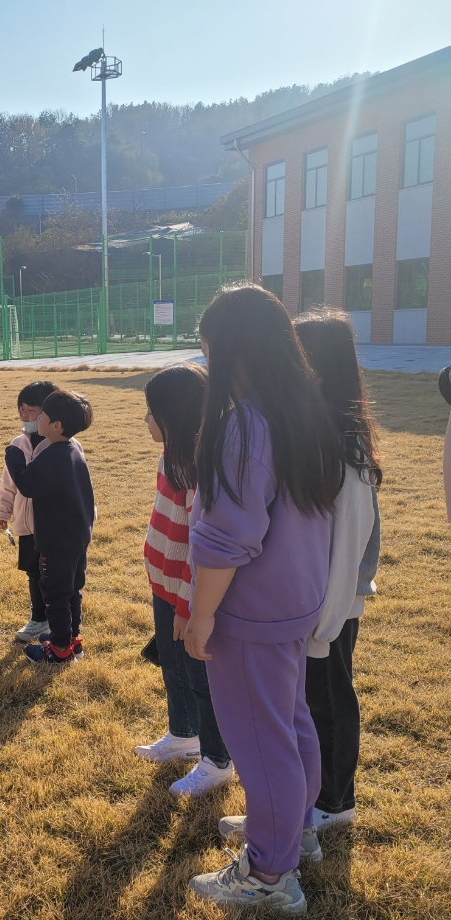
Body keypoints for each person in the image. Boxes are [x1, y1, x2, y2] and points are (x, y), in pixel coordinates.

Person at [184, 285, 344, 914]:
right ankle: (292, 831)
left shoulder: (247, 424)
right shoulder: (304, 408)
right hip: (294, 601)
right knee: (290, 722)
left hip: (250, 613)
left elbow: (228, 537)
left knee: (260, 740)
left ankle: (270, 874)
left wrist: (200, 617)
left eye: (208, 355)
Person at [295, 309, 381, 832]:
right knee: (312, 701)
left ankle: (336, 802)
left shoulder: (344, 443)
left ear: (319, 368)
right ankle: (310, 798)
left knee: (330, 697)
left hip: (333, 603)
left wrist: (325, 624)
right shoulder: (317, 429)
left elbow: (348, 539)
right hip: (314, 601)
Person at [133, 364, 233, 797]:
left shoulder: (198, 467)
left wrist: (187, 606)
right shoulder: (170, 456)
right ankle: (183, 733)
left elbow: (200, 546)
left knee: (199, 676)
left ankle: (216, 759)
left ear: (172, 414)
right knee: (172, 667)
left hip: (185, 594)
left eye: (150, 411)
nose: (146, 419)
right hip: (164, 583)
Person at [5, 389, 95, 664]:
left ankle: (58, 650)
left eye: (42, 415)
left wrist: (14, 457)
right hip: (76, 537)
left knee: (55, 592)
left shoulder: (52, 454)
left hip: (55, 541)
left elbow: (28, 485)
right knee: (71, 589)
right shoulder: (72, 451)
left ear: (56, 425)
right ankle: (70, 639)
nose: (38, 419)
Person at [0, 380, 59, 643]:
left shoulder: (61, 444)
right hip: (27, 525)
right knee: (34, 573)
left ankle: (60, 621)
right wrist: (2, 510)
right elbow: (8, 483)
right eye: (21, 410)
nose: (24, 416)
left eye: (30, 411)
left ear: (49, 413)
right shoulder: (18, 444)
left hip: (54, 526)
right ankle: (38, 618)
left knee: (54, 574)